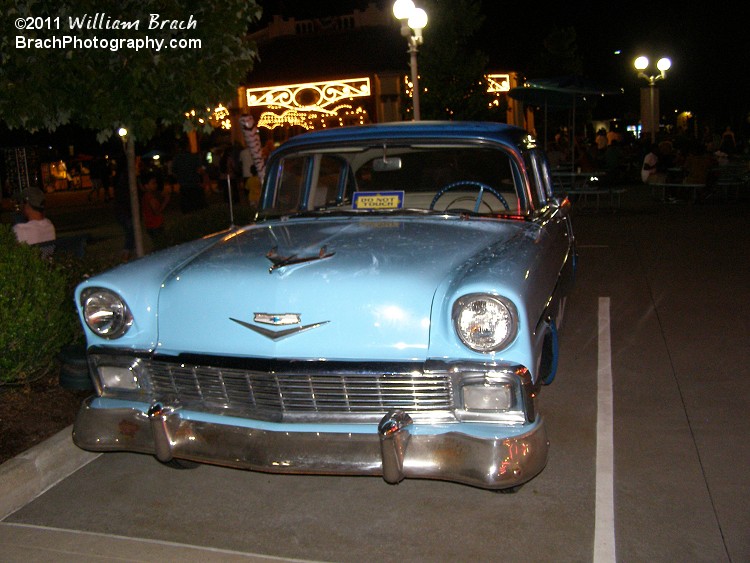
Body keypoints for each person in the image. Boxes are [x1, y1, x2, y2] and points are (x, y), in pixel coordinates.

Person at [141, 171, 171, 249]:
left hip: (152, 226)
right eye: (153, 183)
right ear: (146, 186)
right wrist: (165, 201)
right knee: (161, 246)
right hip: (155, 226)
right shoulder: (149, 197)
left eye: (155, 183)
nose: (155, 185)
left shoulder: (148, 196)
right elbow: (157, 211)